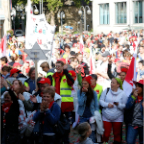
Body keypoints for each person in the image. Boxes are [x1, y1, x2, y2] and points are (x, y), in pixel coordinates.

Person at [99, 78, 128, 144]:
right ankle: (104, 142)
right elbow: (100, 101)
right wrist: (107, 104)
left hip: (118, 117)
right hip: (106, 115)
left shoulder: (123, 93)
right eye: (111, 82)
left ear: (118, 85)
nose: (111, 84)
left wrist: (118, 105)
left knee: (117, 134)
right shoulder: (106, 90)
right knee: (106, 134)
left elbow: (125, 106)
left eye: (113, 83)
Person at [77, 76, 99, 142]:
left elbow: (96, 105)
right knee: (82, 135)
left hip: (91, 116)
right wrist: (84, 93)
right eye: (82, 83)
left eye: (85, 83)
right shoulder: (79, 92)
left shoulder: (93, 93)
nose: (83, 85)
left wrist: (96, 116)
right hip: (82, 116)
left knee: (92, 135)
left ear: (89, 84)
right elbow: (80, 103)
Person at [125, 80, 143, 144]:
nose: (137, 88)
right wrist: (133, 97)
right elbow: (127, 106)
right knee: (129, 142)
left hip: (142, 125)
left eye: (139, 86)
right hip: (133, 124)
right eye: (136, 86)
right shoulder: (132, 95)